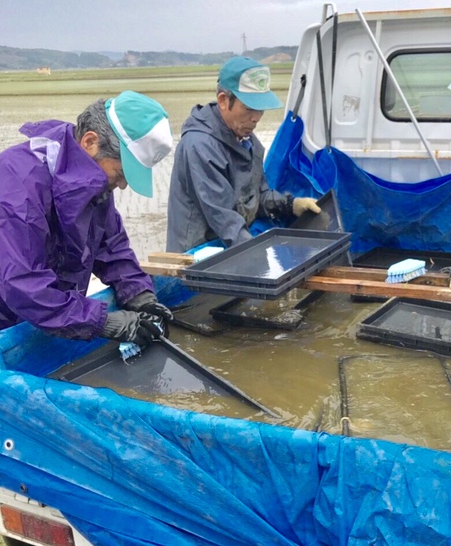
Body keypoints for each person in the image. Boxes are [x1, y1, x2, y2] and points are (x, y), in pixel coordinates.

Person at [0, 93, 175, 345]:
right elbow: (23, 285)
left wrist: (140, 294)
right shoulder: (16, 187)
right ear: (90, 141)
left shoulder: (93, 181)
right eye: (121, 173)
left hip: (48, 318)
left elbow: (111, 247)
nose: (123, 185)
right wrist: (101, 322)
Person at [166, 56, 319, 252]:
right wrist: (257, 254)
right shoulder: (200, 146)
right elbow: (224, 217)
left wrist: (290, 205)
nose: (256, 118)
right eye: (249, 109)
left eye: (260, 110)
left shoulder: (248, 141)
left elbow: (257, 196)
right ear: (223, 100)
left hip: (230, 246)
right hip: (198, 255)